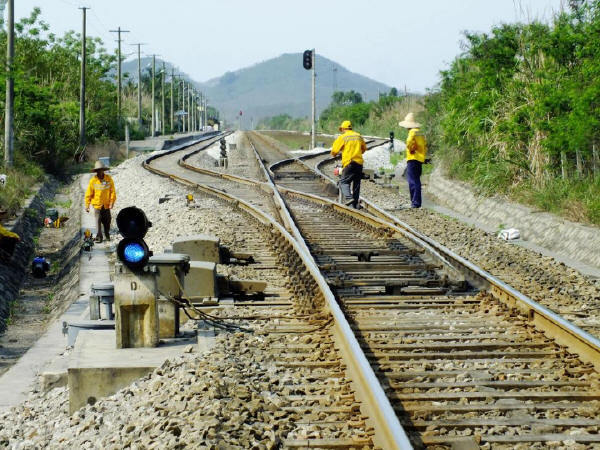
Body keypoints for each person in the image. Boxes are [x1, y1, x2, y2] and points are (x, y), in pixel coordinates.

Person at [331, 120, 367, 209]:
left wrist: (335, 154)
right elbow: (364, 148)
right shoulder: (358, 136)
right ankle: (354, 205)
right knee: (356, 184)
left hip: (349, 162)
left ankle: (349, 198)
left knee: (343, 182)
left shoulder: (343, 137)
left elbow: (334, 151)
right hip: (359, 163)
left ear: (343, 128)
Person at [399, 112, 427, 208]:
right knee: (417, 180)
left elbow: (409, 142)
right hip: (419, 158)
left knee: (412, 180)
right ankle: (417, 202)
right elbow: (424, 145)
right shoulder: (420, 132)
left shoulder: (412, 132)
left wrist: (410, 149)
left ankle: (415, 203)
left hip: (413, 158)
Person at [85, 160, 116, 243]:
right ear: (96, 171)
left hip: (106, 205)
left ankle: (107, 234)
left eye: (101, 170)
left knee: (107, 221)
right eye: (98, 170)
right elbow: (88, 194)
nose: (100, 172)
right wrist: (87, 206)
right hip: (97, 205)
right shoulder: (93, 181)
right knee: (97, 221)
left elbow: (112, 191)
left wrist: (111, 202)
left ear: (103, 170)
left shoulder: (109, 179)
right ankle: (99, 237)